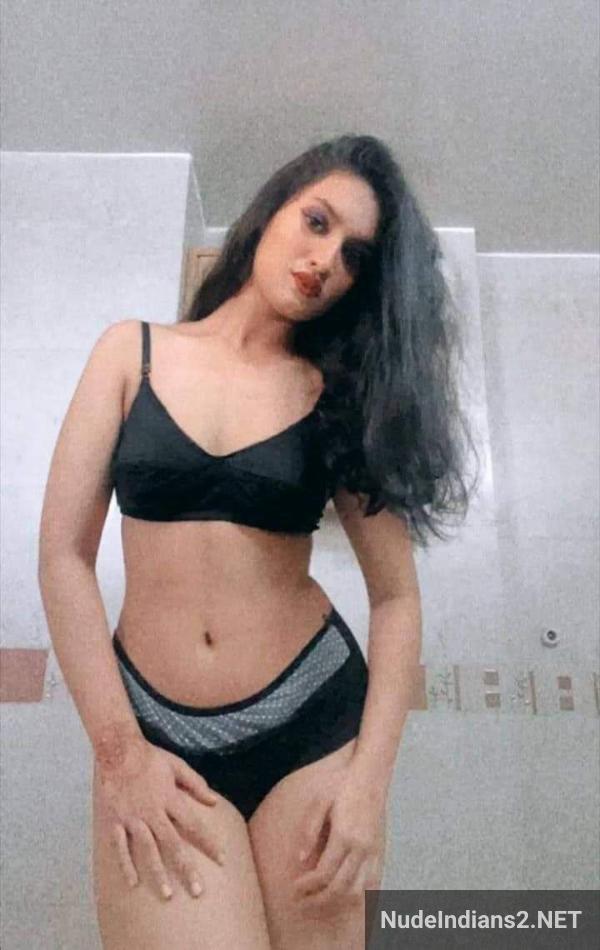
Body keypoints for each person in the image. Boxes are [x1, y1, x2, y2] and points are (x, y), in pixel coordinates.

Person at [37, 134, 476, 950]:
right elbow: (63, 556)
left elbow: (397, 599)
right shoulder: (131, 352)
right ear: (274, 206)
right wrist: (120, 756)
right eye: (317, 221)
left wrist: (369, 786)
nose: (325, 260)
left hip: (312, 726)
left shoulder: (335, 396)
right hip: (155, 734)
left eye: (354, 256)